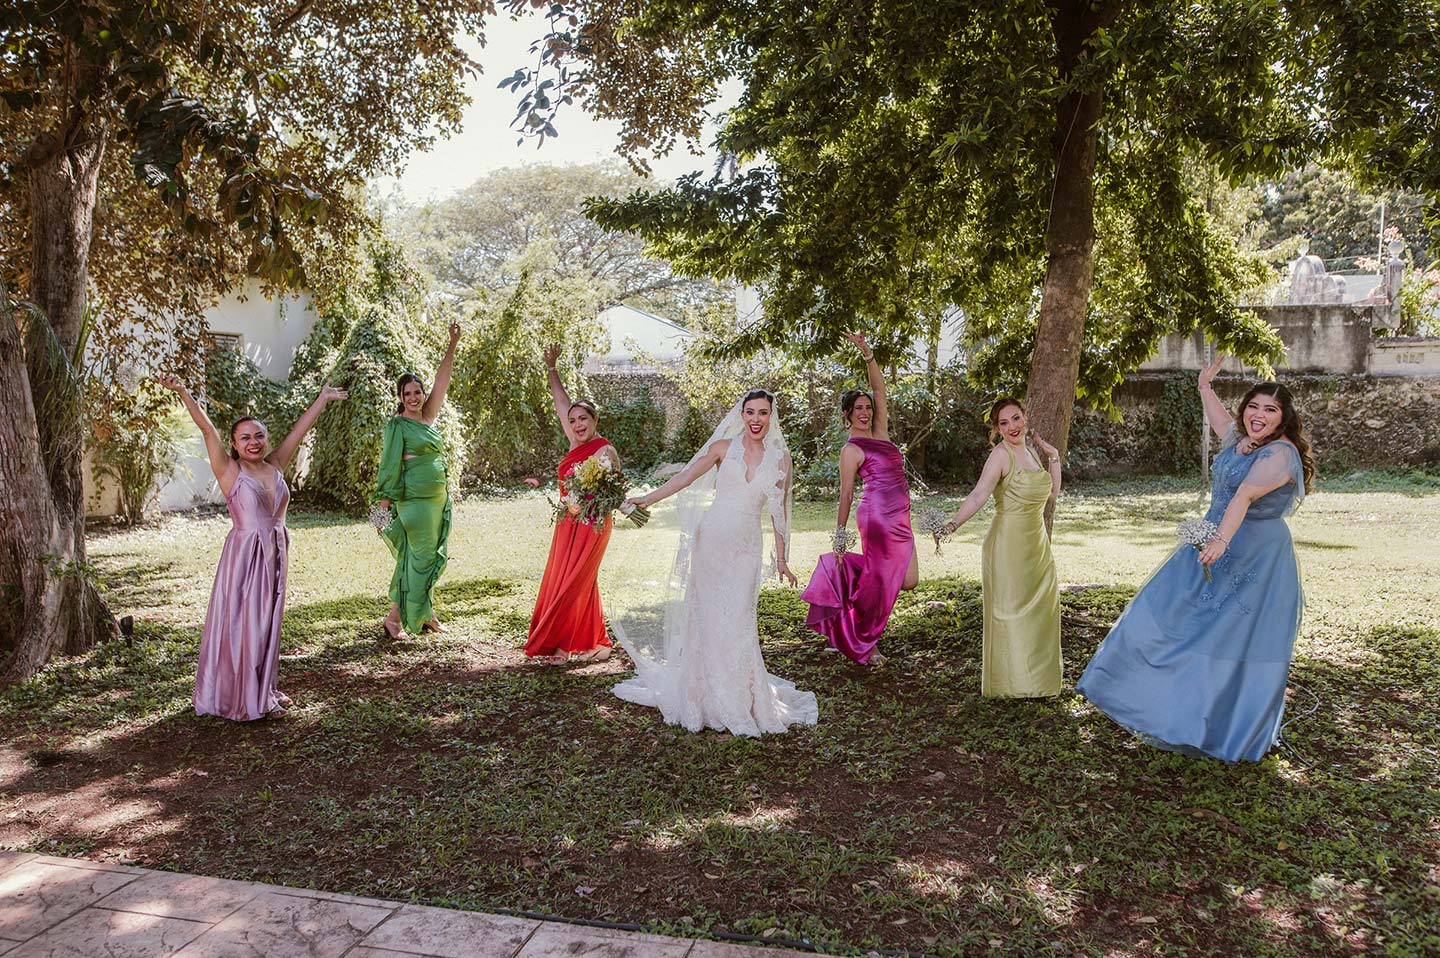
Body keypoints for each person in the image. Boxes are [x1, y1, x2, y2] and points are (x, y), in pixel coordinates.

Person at [1077, 355, 1314, 762]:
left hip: (1253, 556)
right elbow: (1222, 424)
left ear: (1283, 419)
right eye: (1253, 407)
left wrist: (1221, 539)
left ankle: (1227, 729)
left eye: (1270, 410)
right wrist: (1205, 386)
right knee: (1176, 617)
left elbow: (1243, 495)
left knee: (1232, 638)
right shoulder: (1243, 441)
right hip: (1213, 542)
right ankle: (1166, 705)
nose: (1258, 415)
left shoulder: (1280, 454)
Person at [611, 390, 818, 736]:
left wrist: (782, 559)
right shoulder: (724, 448)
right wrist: (648, 497)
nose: (755, 419)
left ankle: (740, 697)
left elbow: (778, 511)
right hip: (713, 543)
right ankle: (704, 696)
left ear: (771, 417)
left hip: (747, 548)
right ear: (741, 414)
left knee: (738, 618)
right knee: (708, 617)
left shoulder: (781, 459)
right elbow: (686, 477)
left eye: (762, 413)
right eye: (750, 412)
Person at [158, 375, 347, 720]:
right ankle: (249, 698)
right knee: (246, 624)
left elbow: (298, 433)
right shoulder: (230, 471)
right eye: (245, 437)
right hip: (245, 556)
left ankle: (265, 688)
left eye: (259, 435)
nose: (254, 442)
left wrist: (322, 398)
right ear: (234, 443)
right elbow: (206, 429)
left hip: (275, 551)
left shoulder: (275, 466)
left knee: (269, 622)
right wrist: (184, 392)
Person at [802, 333, 917, 665]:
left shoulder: (881, 433)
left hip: (902, 515)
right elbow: (847, 494)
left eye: (868, 407)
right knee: (880, 583)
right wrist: (840, 537)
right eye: (858, 409)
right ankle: (868, 643)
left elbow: (880, 389)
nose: (865, 412)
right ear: (847, 414)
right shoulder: (851, 449)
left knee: (908, 580)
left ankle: (847, 589)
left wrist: (867, 353)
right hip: (877, 518)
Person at [941, 397, 1062, 698]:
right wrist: (952, 524)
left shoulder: (1033, 453)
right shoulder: (1000, 455)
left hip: (1036, 544)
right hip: (1006, 545)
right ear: (997, 429)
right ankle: (1010, 685)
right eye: (1004, 423)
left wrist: (1055, 457)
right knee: (1009, 613)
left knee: (1042, 611)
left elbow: (1051, 495)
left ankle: (1038, 683)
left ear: (1025, 418)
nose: (1012, 427)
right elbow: (978, 496)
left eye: (1016, 419)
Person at [525, 345, 622, 665]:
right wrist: (551, 368)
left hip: (592, 525)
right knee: (576, 580)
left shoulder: (605, 450)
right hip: (567, 522)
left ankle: (562, 646)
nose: (578, 424)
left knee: (575, 580)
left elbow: (610, 493)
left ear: (595, 420)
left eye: (584, 418)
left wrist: (584, 501)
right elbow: (561, 402)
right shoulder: (574, 442)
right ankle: (597, 642)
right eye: (573, 420)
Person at [373, 321, 461, 639]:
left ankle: (409, 616)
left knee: (417, 558)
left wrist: (452, 344)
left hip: (437, 500)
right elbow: (389, 469)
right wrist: (381, 512)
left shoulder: (428, 417)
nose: (414, 397)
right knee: (424, 557)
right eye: (407, 393)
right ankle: (410, 616)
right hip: (414, 502)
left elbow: (442, 381)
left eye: (418, 392)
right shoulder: (398, 426)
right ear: (399, 396)